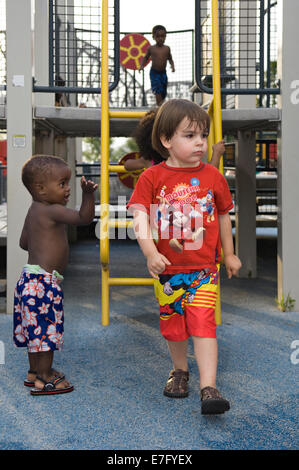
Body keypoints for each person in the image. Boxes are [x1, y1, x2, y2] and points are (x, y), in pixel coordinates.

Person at [127, 99, 241, 415]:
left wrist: (229, 254)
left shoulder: (213, 177)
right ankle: (180, 370)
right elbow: (139, 218)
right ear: (166, 140)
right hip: (168, 271)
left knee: (204, 324)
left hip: (205, 269)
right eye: (189, 136)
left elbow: (222, 216)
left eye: (202, 135)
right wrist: (151, 253)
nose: (200, 143)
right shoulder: (152, 177)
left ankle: (209, 387)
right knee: (174, 324)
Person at [13, 154, 98, 396]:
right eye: (62, 184)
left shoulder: (35, 210)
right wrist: (88, 195)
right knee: (46, 331)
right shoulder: (53, 210)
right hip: (43, 284)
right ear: (41, 189)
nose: (67, 189)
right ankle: (45, 377)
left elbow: (23, 242)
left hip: (28, 279)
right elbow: (83, 218)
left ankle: (33, 372)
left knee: (34, 331)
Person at [124, 108, 226, 172]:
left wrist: (142, 156)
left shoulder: (149, 162)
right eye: (189, 136)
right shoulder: (185, 163)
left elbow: (127, 165)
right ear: (166, 141)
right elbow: (211, 174)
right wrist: (217, 153)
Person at [139, 25, 175, 106]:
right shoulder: (151, 48)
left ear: (165, 36)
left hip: (163, 73)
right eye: (158, 36)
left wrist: (172, 66)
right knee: (157, 89)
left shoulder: (167, 48)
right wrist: (141, 66)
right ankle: (160, 107)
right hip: (154, 73)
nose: (160, 38)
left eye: (163, 36)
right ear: (153, 37)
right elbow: (145, 57)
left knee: (163, 91)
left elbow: (170, 58)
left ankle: (161, 104)